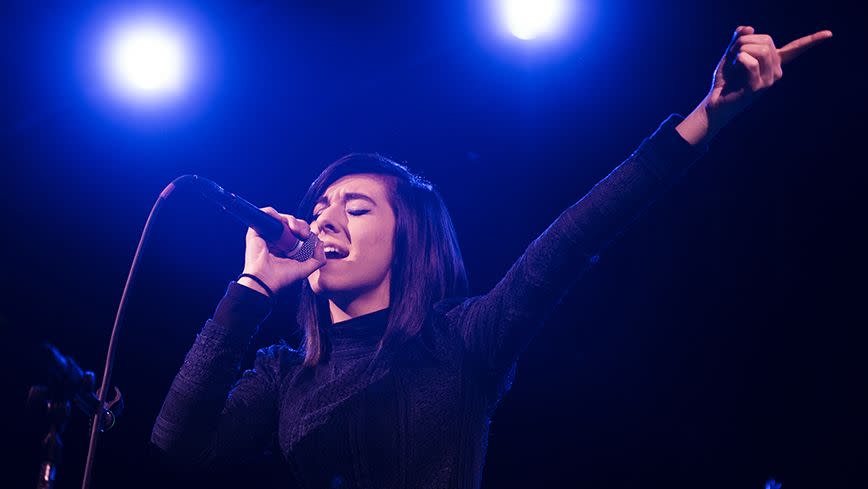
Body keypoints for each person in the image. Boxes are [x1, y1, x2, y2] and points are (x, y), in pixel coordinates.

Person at [151, 26, 832, 488]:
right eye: (322, 206)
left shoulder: (462, 338)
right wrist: (251, 287)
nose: (327, 218)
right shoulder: (283, 373)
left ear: (408, 240)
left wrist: (706, 116)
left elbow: (577, 235)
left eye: (356, 208)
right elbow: (176, 442)